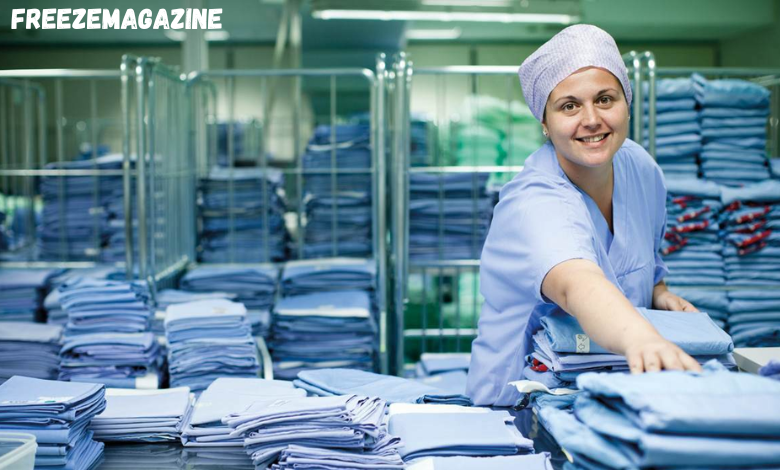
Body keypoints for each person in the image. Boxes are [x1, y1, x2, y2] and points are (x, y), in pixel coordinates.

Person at [466, 24, 703, 407]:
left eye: (605, 99)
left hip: (609, 394)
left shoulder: (641, 169)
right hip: (521, 407)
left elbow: (644, 258)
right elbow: (580, 284)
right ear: (545, 123)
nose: (591, 119)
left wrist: (658, 293)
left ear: (627, 103)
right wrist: (641, 338)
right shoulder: (534, 202)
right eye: (569, 106)